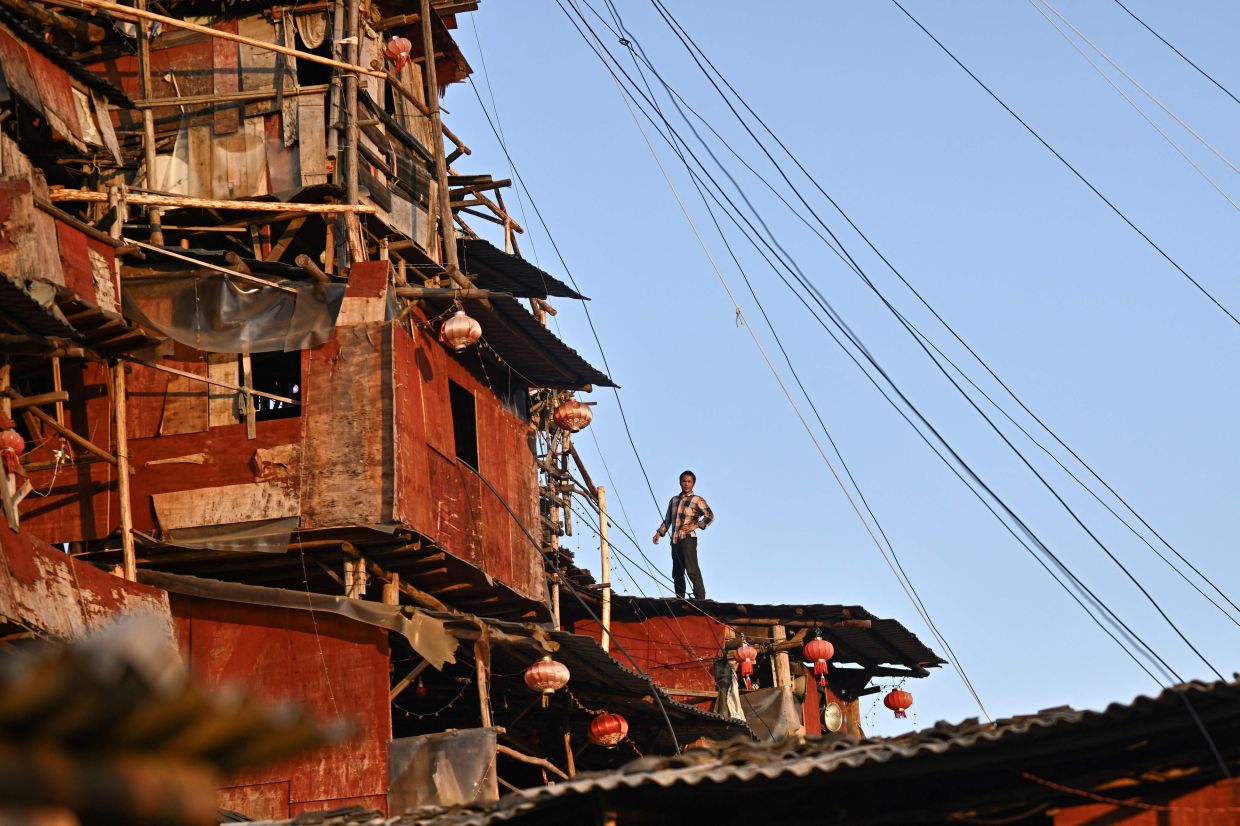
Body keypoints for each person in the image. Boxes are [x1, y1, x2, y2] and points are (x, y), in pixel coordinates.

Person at [652, 470, 714, 600]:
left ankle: (700, 598)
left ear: (693, 484)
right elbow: (668, 519)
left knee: (691, 569)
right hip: (675, 540)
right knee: (677, 572)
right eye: (684, 481)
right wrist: (659, 532)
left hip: (688, 539)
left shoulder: (697, 499)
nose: (686, 484)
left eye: (689, 482)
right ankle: (680, 598)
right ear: (680, 482)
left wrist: (696, 525)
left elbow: (710, 515)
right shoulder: (674, 500)